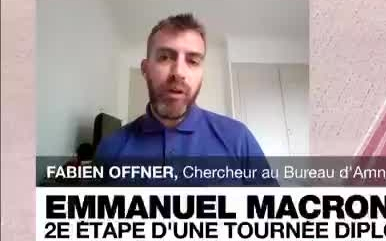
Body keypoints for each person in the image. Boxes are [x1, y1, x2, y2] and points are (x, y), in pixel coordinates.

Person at [94, 13, 275, 186]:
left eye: (193, 61)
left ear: (201, 74)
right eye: (165, 57)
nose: (179, 72)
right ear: (145, 69)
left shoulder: (238, 138)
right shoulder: (110, 147)